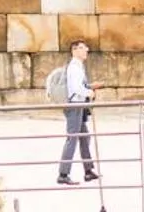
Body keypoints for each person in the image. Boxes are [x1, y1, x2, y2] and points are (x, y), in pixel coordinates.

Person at [56, 39, 103, 186]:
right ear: (75, 50)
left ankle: (88, 171)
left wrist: (90, 86)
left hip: (79, 105)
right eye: (83, 48)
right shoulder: (74, 67)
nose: (86, 50)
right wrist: (89, 92)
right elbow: (76, 89)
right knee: (72, 139)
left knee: (84, 137)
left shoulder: (78, 66)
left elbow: (78, 86)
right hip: (75, 106)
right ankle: (63, 174)